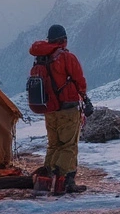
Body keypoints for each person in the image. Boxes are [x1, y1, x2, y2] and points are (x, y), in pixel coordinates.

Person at [29, 24, 93, 194]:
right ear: (63, 40)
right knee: (69, 146)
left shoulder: (40, 59)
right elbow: (79, 81)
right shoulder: (66, 57)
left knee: (54, 145)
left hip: (49, 111)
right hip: (67, 109)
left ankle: (46, 180)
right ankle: (63, 181)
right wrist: (85, 99)